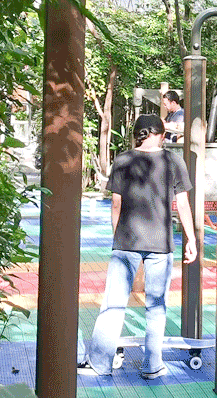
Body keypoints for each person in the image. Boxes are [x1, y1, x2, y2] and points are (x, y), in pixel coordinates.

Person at [79, 114, 197, 380]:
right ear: (161, 134)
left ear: (138, 134)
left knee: (113, 304)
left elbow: (116, 204)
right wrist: (191, 239)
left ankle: (100, 364)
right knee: (156, 306)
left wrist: (117, 235)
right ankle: (152, 365)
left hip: (127, 240)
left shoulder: (123, 160)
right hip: (161, 243)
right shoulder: (173, 161)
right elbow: (182, 204)